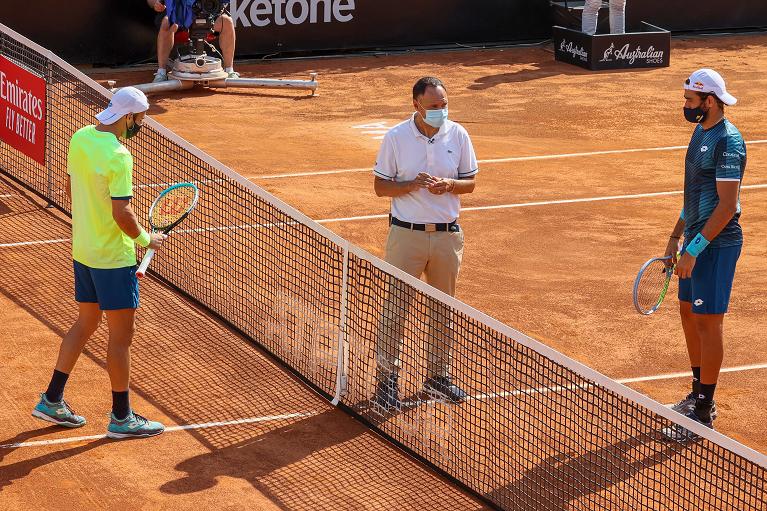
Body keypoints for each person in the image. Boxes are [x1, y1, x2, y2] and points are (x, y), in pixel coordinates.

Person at [32, 87, 168, 439]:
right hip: (112, 258)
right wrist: (145, 240)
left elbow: (68, 187)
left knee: (86, 321)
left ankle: (51, 399)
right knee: (121, 337)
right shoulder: (119, 156)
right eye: (139, 119)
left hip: (83, 252)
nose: (140, 124)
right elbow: (122, 212)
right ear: (128, 117)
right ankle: (122, 418)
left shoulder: (80, 137)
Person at [371, 76, 478, 410]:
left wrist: (450, 184)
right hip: (407, 236)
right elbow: (380, 187)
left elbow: (470, 182)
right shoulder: (396, 138)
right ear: (416, 104)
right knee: (396, 309)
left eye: (444, 105)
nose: (440, 111)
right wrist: (409, 185)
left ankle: (437, 378)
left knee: (443, 310)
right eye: (434, 106)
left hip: (447, 236)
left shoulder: (458, 134)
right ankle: (387, 383)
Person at [662, 69, 745, 440]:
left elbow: (726, 206)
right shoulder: (700, 133)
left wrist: (693, 250)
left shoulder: (729, 142)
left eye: (690, 101)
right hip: (694, 241)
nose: (686, 106)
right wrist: (675, 237)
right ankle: (698, 394)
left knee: (709, 322)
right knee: (688, 312)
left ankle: (702, 413)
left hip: (717, 244)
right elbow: (694, 194)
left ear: (709, 101)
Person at [148, 0, 239, 83]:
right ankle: (161, 72)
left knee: (227, 21)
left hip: (206, 15)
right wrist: (155, 3)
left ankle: (229, 70)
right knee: (166, 22)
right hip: (179, 16)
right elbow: (151, 1)